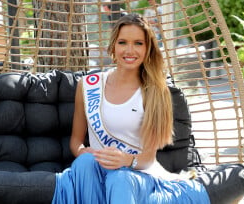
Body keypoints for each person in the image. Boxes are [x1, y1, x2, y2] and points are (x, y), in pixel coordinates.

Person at [51, 13, 210, 203]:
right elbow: (76, 141)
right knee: (84, 163)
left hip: (138, 174)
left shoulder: (155, 92)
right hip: (97, 168)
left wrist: (126, 160)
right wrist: (82, 152)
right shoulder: (88, 85)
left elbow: (149, 159)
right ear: (113, 46)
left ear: (147, 48)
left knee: (120, 178)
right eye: (123, 42)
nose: (130, 50)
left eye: (138, 43)